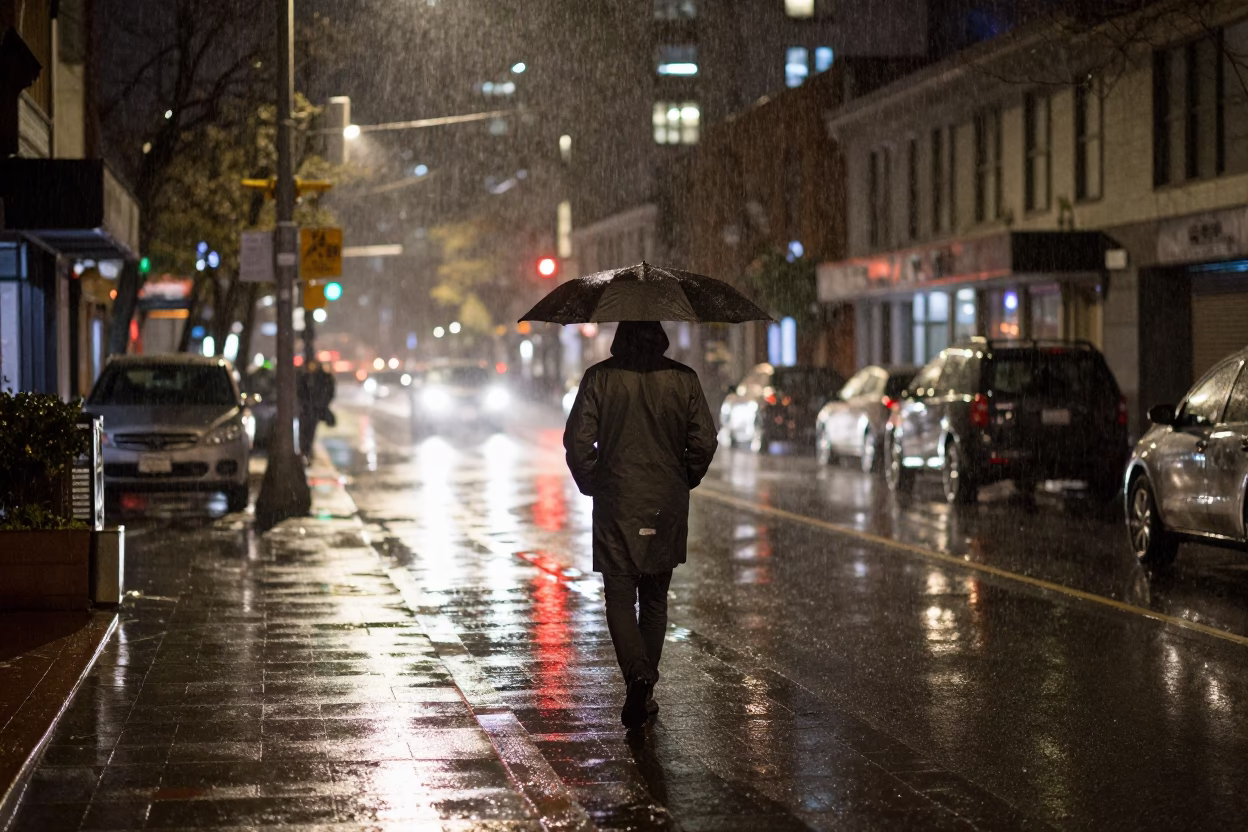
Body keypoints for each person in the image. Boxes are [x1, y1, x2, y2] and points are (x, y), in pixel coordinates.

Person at [564, 321, 717, 731]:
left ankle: (636, 673)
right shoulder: (684, 379)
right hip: (664, 504)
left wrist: (596, 482)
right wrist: (681, 479)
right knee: (653, 598)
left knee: (618, 594)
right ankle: (643, 687)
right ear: (661, 336)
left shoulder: (599, 378)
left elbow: (578, 442)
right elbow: (704, 442)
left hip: (616, 501)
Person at [297, 360, 336, 460]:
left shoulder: (323, 378)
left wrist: (320, 403)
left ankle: (306, 452)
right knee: (305, 431)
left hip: (313, 410)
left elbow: (329, 393)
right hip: (307, 409)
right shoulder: (305, 377)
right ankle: (305, 452)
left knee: (309, 431)